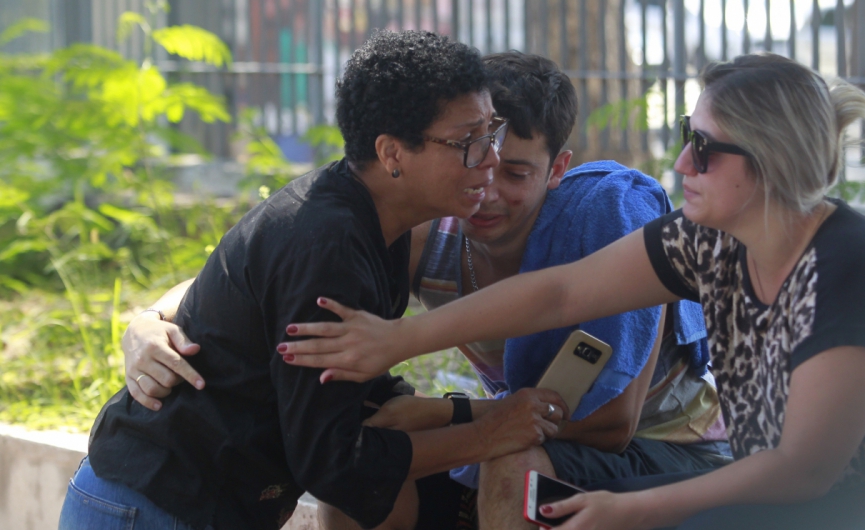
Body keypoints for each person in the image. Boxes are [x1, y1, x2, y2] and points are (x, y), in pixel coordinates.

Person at [277, 53, 865, 529]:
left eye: (703, 147)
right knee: (532, 502)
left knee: (574, 504)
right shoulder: (710, 241)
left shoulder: (847, 276)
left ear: (771, 162)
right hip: (788, 502)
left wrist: (634, 509)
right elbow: (560, 294)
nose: (680, 163)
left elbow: (802, 473)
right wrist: (400, 338)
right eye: (686, 137)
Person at [121, 52, 730, 530]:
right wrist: (148, 318)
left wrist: (448, 412)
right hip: (525, 430)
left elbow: (609, 425)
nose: (487, 188)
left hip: (664, 454)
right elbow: (271, 260)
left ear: (559, 168)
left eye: (515, 172)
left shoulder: (603, 228)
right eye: (475, 155)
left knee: (508, 462)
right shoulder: (422, 233)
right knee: (360, 473)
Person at [58, 31, 570, 530]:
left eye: (491, 132)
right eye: (468, 142)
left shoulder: (375, 221)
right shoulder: (329, 245)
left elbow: (353, 397)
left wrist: (493, 411)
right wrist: (490, 434)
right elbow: (335, 460)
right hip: (151, 508)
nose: (491, 159)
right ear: (392, 154)